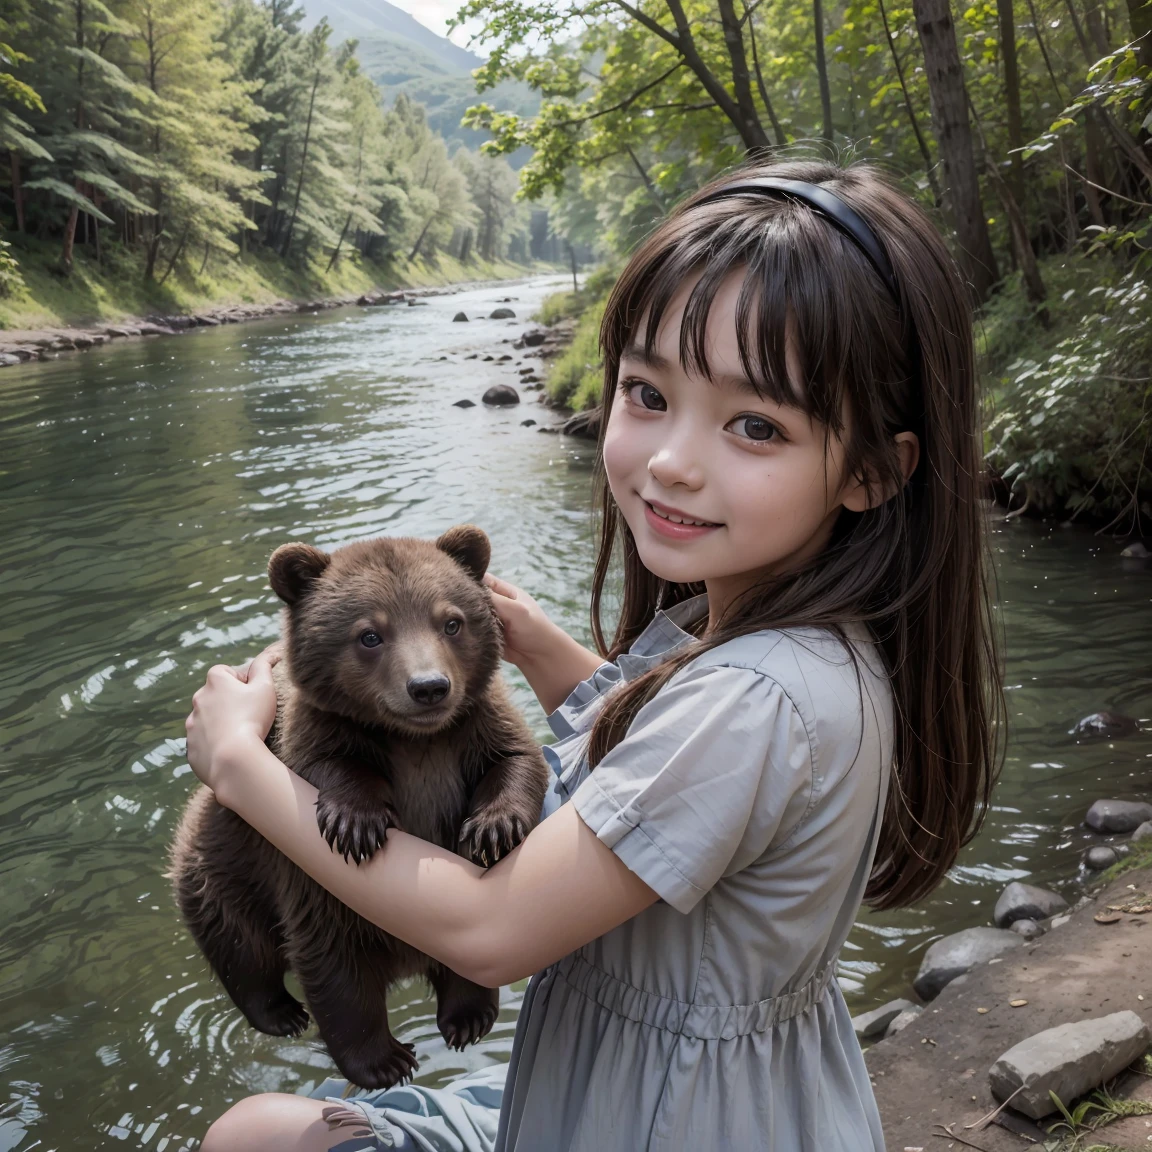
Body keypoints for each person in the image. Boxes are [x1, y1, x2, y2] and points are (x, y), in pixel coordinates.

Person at [185, 156, 1003, 1152]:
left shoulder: (756, 699)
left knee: (250, 1140)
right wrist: (535, 653)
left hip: (663, 1123)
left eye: (754, 424)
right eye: (647, 393)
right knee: (261, 1129)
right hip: (690, 1088)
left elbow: (491, 933)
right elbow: (652, 746)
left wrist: (237, 765)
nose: (671, 460)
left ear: (875, 470)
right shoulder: (764, 639)